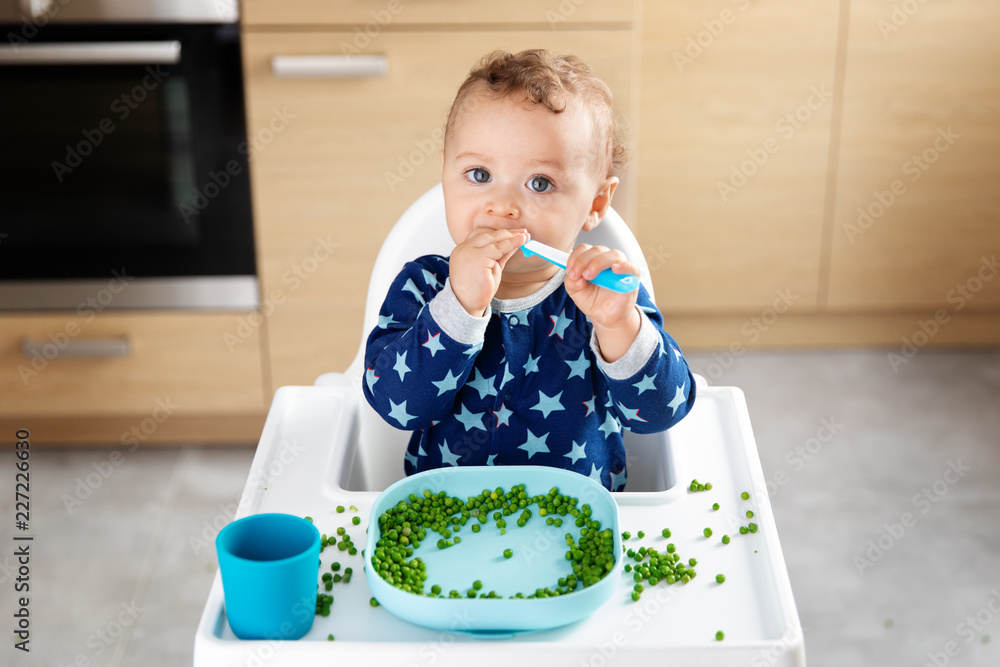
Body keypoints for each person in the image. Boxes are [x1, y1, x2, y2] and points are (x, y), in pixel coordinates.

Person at [362, 49, 695, 491]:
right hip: (448, 518)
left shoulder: (604, 295)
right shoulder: (424, 286)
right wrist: (459, 306)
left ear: (595, 203)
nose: (502, 206)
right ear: (445, 171)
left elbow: (660, 414)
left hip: (578, 521)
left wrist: (619, 326)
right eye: (478, 174)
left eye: (539, 183)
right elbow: (396, 407)